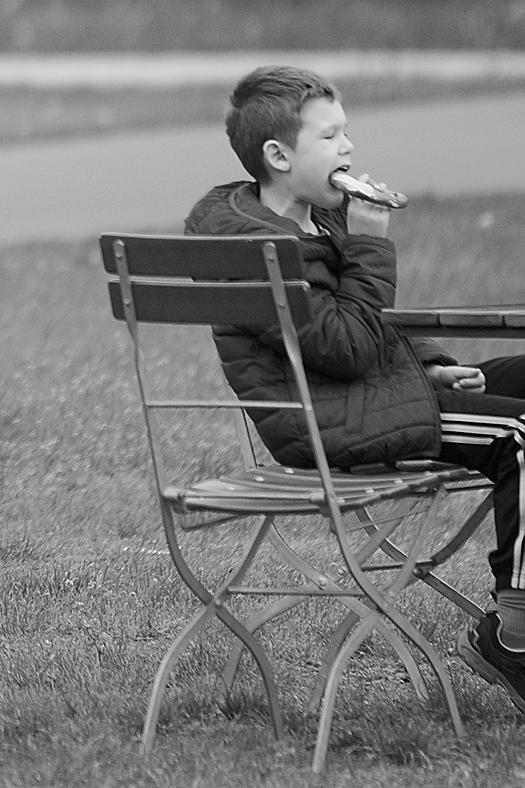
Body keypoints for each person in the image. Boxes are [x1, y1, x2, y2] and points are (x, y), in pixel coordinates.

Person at [184, 63, 525, 715]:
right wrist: (371, 245)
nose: (348, 149)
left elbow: (370, 325)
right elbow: (343, 348)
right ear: (278, 156)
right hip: (332, 421)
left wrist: (429, 364)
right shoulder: (254, 249)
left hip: (377, 394)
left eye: (347, 133)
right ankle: (516, 637)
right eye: (331, 137)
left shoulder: (321, 220)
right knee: (519, 432)